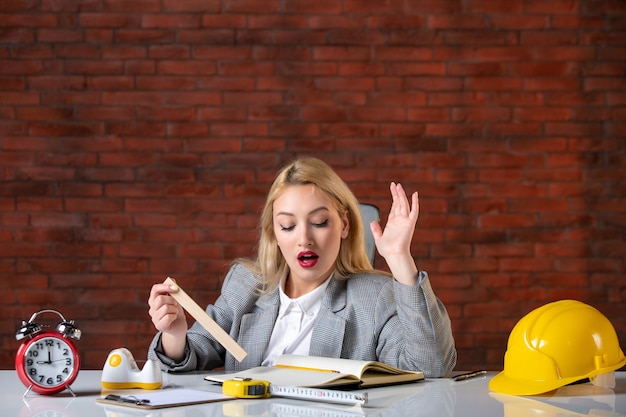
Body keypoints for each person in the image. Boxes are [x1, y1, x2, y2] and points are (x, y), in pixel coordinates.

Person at [147, 157, 456, 377]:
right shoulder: (245, 284)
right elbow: (193, 352)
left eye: (319, 222)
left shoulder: (374, 296)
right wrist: (175, 334)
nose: (304, 239)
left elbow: (429, 367)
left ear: (345, 224)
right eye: (287, 226)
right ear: (274, 234)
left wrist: (400, 258)